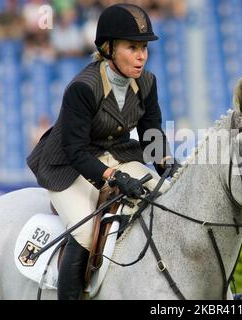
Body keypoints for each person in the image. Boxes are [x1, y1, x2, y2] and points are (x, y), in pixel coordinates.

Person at [27, 3, 180, 300]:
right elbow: (75, 150)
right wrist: (114, 177)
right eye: (132, 48)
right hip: (67, 167)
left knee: (166, 202)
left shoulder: (147, 82)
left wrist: (168, 164)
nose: (141, 57)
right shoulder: (83, 87)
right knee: (85, 234)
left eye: (144, 48)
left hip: (119, 155)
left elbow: (152, 135)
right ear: (109, 48)